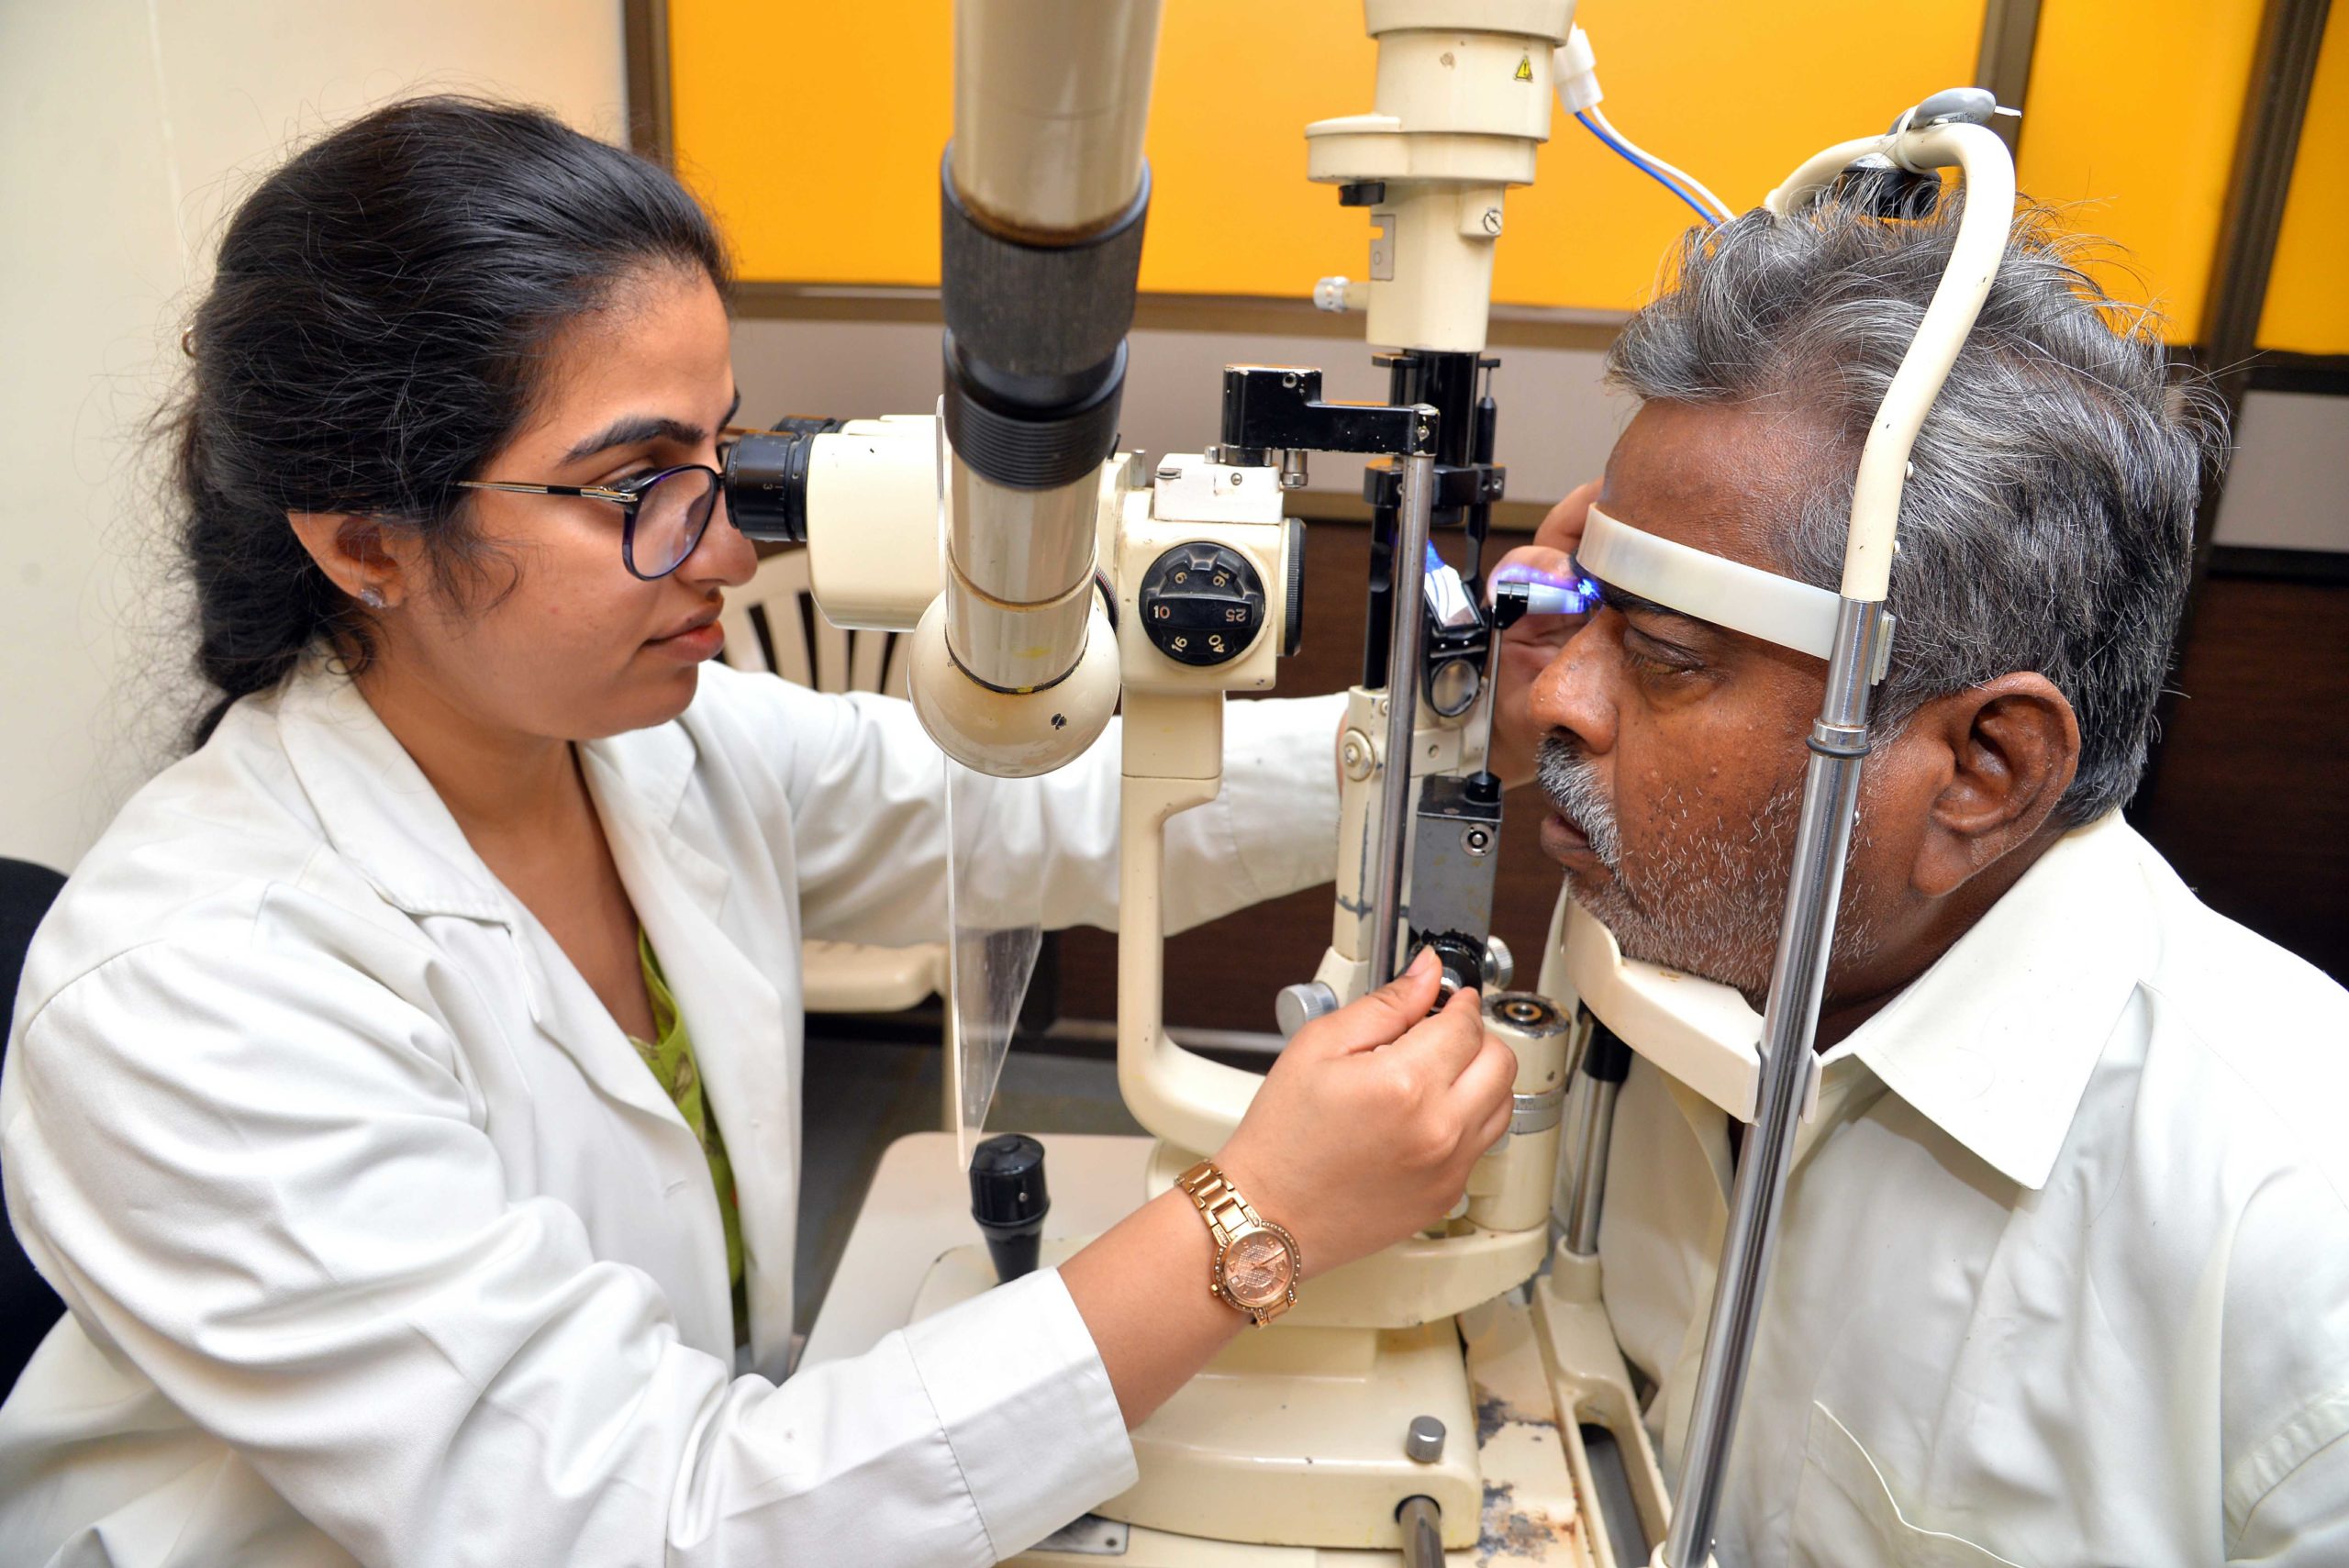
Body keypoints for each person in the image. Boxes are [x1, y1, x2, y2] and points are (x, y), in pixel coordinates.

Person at [0, 98, 1529, 1567]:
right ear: (364, 541)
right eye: (636, 485)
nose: (729, 543)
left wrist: (1456, 724)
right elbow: (646, 1520)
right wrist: (1253, 1218)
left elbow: (1029, 803)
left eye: (724, 453)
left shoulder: (650, 743)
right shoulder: (191, 993)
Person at [1495, 190, 2349, 1563]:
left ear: (1981, 771)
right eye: (1580, 613)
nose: (1555, 706)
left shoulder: (2295, 1235)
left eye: (1663, 656)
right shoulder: (1670, 919)